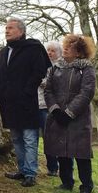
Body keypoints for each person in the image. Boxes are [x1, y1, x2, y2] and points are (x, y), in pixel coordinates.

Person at [0, 17, 50, 187]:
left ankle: (31, 174)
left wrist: (27, 90)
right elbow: (0, 75)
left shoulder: (33, 48)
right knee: (16, 138)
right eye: (6, 28)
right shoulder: (3, 52)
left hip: (27, 102)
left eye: (11, 28)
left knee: (29, 138)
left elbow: (40, 71)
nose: (7, 30)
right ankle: (22, 170)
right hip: (9, 103)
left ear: (21, 31)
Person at [44, 34, 96, 193]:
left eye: (70, 47)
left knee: (81, 153)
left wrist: (69, 112)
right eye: (65, 45)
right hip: (57, 115)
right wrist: (56, 110)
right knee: (61, 151)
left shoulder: (86, 68)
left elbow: (86, 92)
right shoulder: (55, 68)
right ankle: (66, 182)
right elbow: (48, 90)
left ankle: (86, 185)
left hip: (78, 117)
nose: (65, 48)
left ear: (79, 52)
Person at [39, 41, 61, 176]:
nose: (49, 53)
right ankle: (51, 167)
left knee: (55, 137)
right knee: (46, 138)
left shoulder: (61, 67)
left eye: (53, 50)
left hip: (55, 107)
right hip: (41, 105)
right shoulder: (42, 66)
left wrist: (44, 82)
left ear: (59, 53)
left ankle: (60, 167)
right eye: (48, 50)